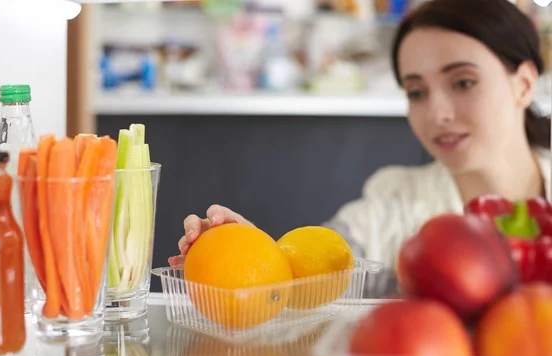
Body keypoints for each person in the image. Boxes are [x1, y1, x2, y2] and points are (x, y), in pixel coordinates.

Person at [168, 0, 552, 297]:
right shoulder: (393, 201)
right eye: (416, 92)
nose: (437, 113)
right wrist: (262, 260)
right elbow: (321, 273)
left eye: (463, 82)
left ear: (523, 84)